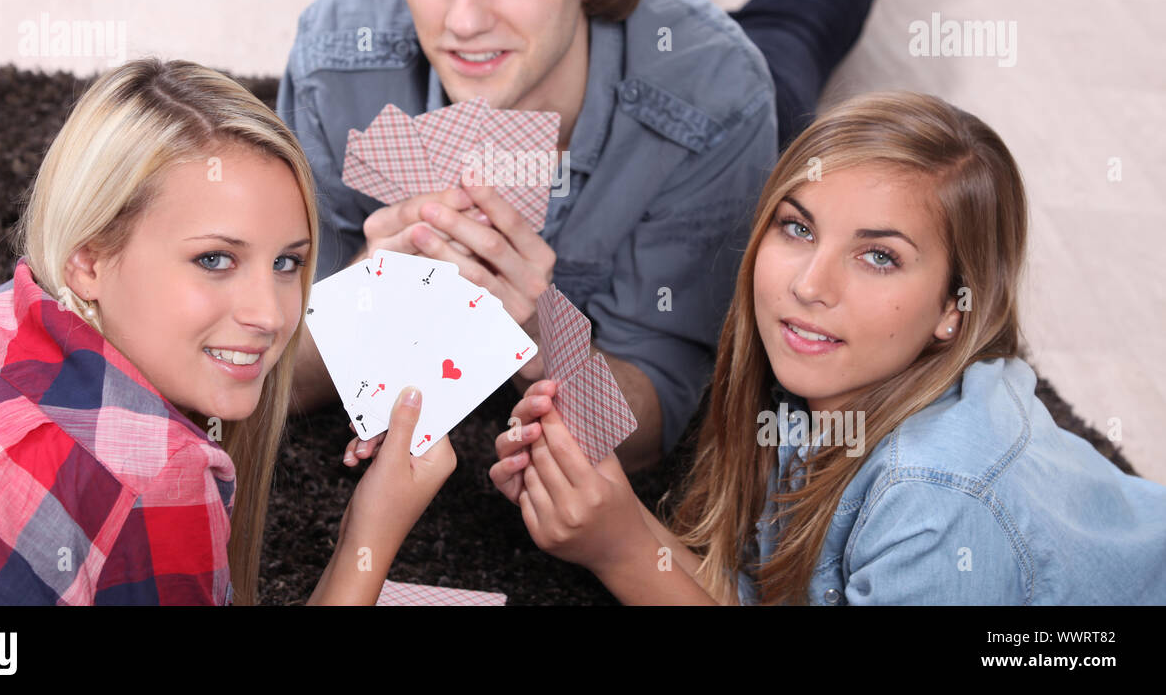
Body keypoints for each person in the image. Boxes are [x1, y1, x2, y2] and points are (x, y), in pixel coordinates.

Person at [279, 0, 892, 471]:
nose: (462, 20)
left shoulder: (713, 95)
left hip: (673, 73)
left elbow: (651, 433)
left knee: (794, 25)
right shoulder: (341, 54)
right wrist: (372, 287)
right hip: (600, 5)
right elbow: (275, 369)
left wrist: (537, 327)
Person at [490, 91, 1166, 604]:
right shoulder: (820, 397)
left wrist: (624, 553)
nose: (810, 284)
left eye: (878, 256)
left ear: (956, 309)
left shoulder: (937, 506)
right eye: (797, 228)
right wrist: (611, 511)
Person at [0, 59, 454, 605]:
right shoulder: (162, 480)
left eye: (287, 263)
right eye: (216, 260)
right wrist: (367, 535)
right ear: (88, 261)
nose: (272, 316)